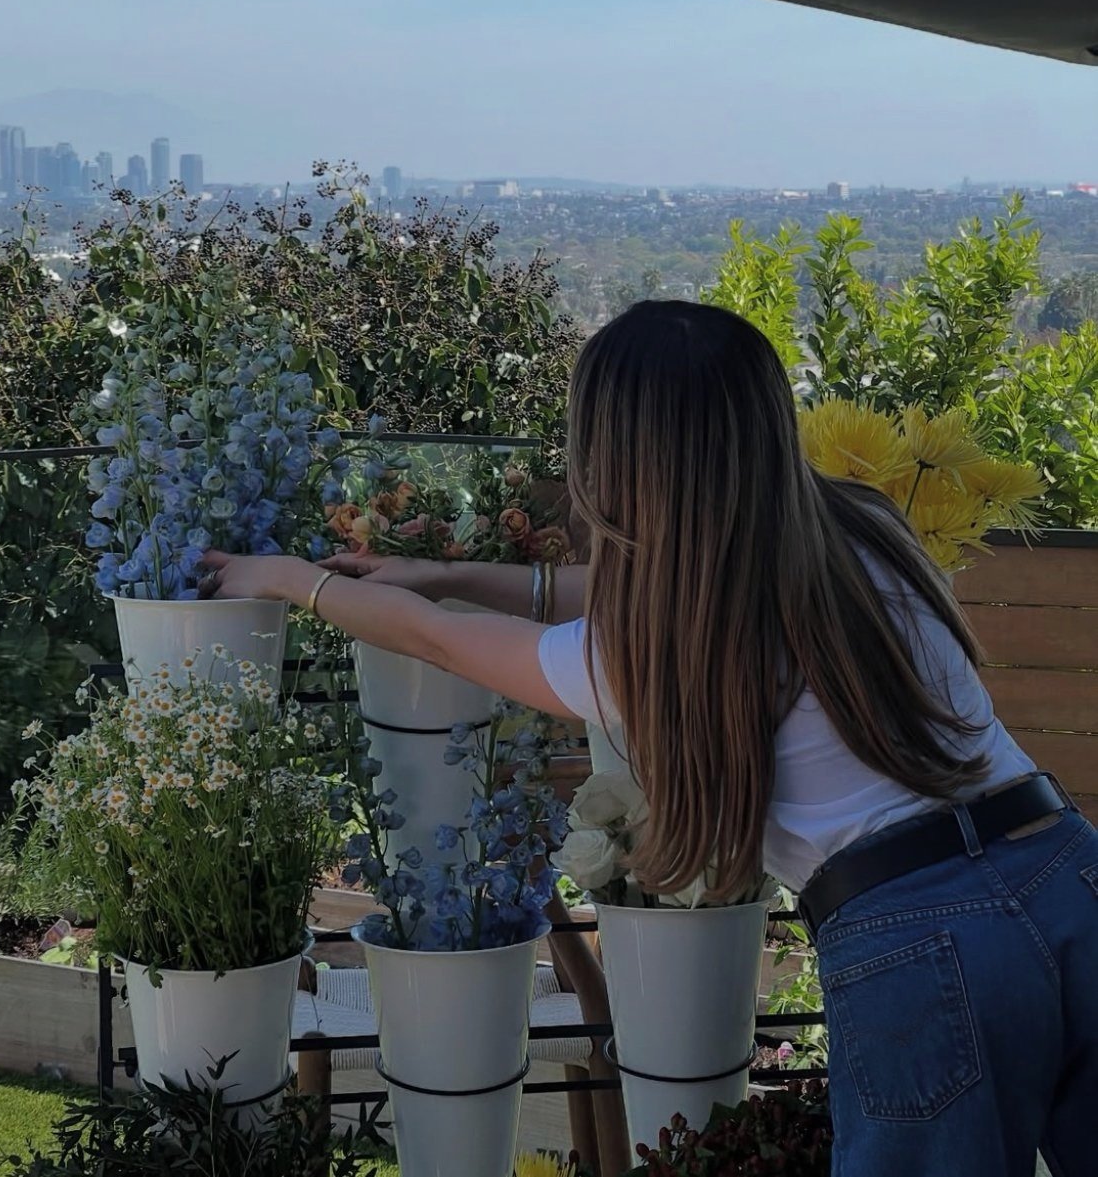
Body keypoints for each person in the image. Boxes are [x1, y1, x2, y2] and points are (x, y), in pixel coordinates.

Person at [199, 299, 1097, 1177]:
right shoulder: (862, 528)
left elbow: (435, 640)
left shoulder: (652, 657)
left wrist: (284, 579)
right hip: (1067, 873)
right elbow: (663, 580)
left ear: (619, 462)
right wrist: (446, 571)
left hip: (921, 944)